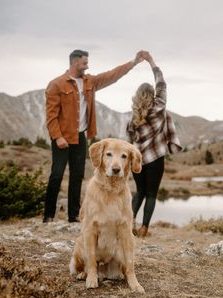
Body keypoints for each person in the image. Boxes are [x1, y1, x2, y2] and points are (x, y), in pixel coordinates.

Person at [43, 49, 146, 223]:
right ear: (75, 62)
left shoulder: (89, 82)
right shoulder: (56, 84)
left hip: (80, 137)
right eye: (84, 63)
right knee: (56, 175)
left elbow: (111, 75)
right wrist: (57, 137)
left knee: (77, 176)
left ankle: (74, 215)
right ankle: (48, 216)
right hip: (62, 137)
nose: (87, 65)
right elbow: (51, 115)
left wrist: (133, 63)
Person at [127, 51, 182, 237]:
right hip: (156, 159)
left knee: (140, 192)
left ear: (137, 96)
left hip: (138, 160)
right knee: (151, 194)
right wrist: (150, 61)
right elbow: (161, 82)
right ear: (152, 95)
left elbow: (129, 139)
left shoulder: (133, 117)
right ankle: (144, 229)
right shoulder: (159, 108)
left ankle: (129, 225)